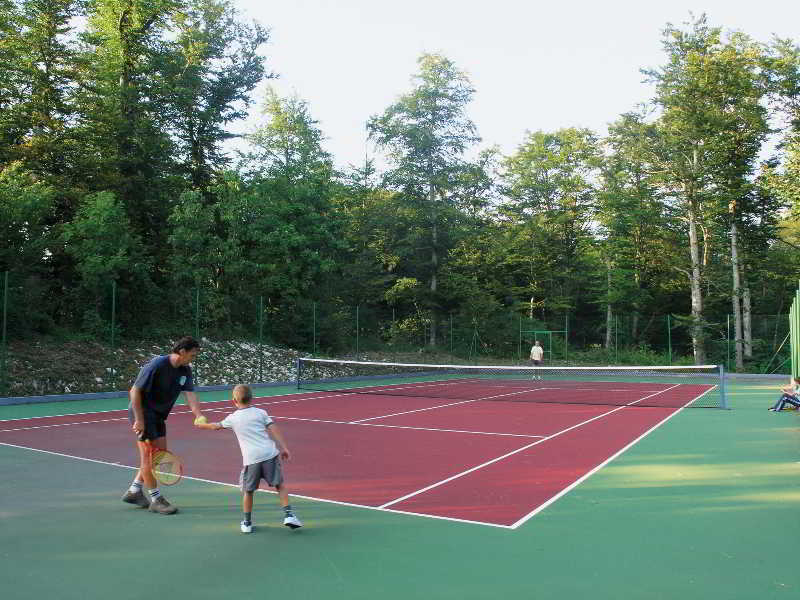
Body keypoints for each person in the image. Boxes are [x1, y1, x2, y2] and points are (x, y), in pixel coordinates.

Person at [195, 384, 302, 533]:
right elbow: (273, 428)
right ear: (252, 398)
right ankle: (289, 515)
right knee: (280, 486)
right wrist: (284, 447)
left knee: (248, 491)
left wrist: (202, 426)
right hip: (269, 454)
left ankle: (247, 523)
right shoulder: (261, 412)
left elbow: (215, 426)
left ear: (234, 400)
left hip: (251, 460)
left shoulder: (232, 418)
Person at [122, 336, 204, 514]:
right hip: (142, 412)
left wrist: (198, 415)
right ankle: (156, 499)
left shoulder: (185, 370)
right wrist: (139, 419)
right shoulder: (158, 364)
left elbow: (190, 394)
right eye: (193, 354)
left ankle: (134, 491)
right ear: (182, 351)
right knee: (149, 457)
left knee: (158, 456)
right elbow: (134, 390)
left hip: (158, 415)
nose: (194, 358)